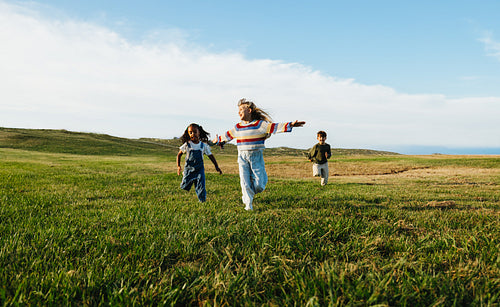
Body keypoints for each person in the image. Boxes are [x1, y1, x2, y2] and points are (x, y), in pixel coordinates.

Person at [214, 98, 305, 211]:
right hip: (242, 157)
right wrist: (217, 140)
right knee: (244, 181)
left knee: (259, 185)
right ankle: (248, 204)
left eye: (242, 109)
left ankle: (252, 190)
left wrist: (290, 124)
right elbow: (226, 136)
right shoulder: (238, 127)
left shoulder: (259, 125)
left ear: (250, 110)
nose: (239, 112)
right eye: (238, 110)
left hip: (256, 156)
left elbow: (274, 127)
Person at [177, 123, 222, 202]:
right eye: (190, 132)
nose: (192, 134)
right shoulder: (187, 144)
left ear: (199, 132)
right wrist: (178, 166)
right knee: (184, 186)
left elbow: (211, 156)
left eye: (194, 132)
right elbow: (179, 155)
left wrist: (216, 166)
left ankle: (202, 200)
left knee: (201, 185)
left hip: (199, 169)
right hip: (189, 169)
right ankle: (186, 176)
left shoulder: (203, 146)